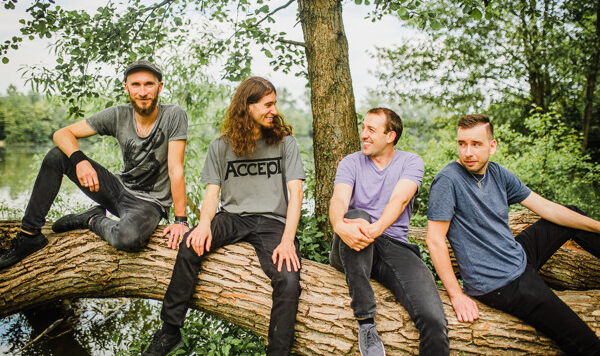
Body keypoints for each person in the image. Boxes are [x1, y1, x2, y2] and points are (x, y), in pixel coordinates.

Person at [142, 76, 305, 356]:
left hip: (273, 222)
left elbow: (297, 193)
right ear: (248, 106)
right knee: (190, 245)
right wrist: (204, 225)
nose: (274, 111)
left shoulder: (285, 143)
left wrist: (288, 240)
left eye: (274, 104)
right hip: (233, 217)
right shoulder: (220, 146)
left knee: (289, 280)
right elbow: (212, 194)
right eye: (267, 105)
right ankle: (170, 332)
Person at [427, 114, 600, 355]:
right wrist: (457, 296)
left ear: (492, 146)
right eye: (462, 143)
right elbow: (434, 240)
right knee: (587, 344)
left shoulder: (498, 173)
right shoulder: (448, 180)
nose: (467, 152)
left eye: (476, 144)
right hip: (499, 283)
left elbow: (547, 208)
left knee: (572, 215)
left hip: (516, 254)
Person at [0, 60, 189, 270]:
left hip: (149, 204)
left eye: (149, 84)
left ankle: (90, 219)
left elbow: (175, 170)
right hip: (117, 189)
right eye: (136, 85)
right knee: (56, 156)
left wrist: (181, 221)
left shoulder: (173, 115)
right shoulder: (118, 114)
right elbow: (61, 134)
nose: (142, 92)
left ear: (159, 87)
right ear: (126, 88)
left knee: (126, 239)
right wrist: (79, 159)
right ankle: (29, 235)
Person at [329, 108, 448, 356]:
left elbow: (400, 200)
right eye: (363, 127)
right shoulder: (350, 162)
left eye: (371, 130)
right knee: (357, 216)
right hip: (351, 244)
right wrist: (340, 226)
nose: (364, 134)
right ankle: (366, 323)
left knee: (433, 318)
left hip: (392, 246)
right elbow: (339, 200)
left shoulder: (410, 162)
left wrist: (375, 230)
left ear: (390, 136)